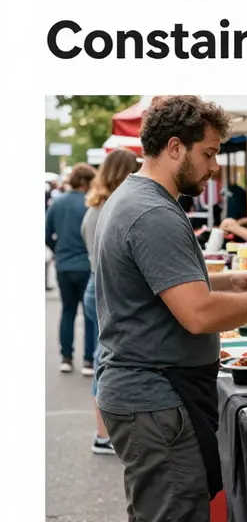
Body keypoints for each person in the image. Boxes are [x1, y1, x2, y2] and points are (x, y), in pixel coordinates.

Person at [94, 95, 247, 522]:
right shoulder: (152, 212)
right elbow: (196, 315)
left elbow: (166, 289)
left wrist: (222, 283)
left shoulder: (133, 197)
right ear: (175, 147)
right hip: (155, 396)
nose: (214, 167)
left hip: (140, 391)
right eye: (209, 152)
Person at [81, 148, 140, 454]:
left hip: (95, 286)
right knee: (105, 360)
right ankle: (104, 435)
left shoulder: (94, 206)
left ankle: (103, 432)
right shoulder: (114, 207)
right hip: (105, 287)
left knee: (100, 357)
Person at [46, 162, 97, 373]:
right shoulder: (90, 204)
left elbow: (46, 234)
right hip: (86, 265)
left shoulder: (57, 204)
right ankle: (88, 360)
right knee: (89, 315)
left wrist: (58, 250)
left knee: (67, 312)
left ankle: (66, 357)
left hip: (64, 265)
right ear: (86, 182)